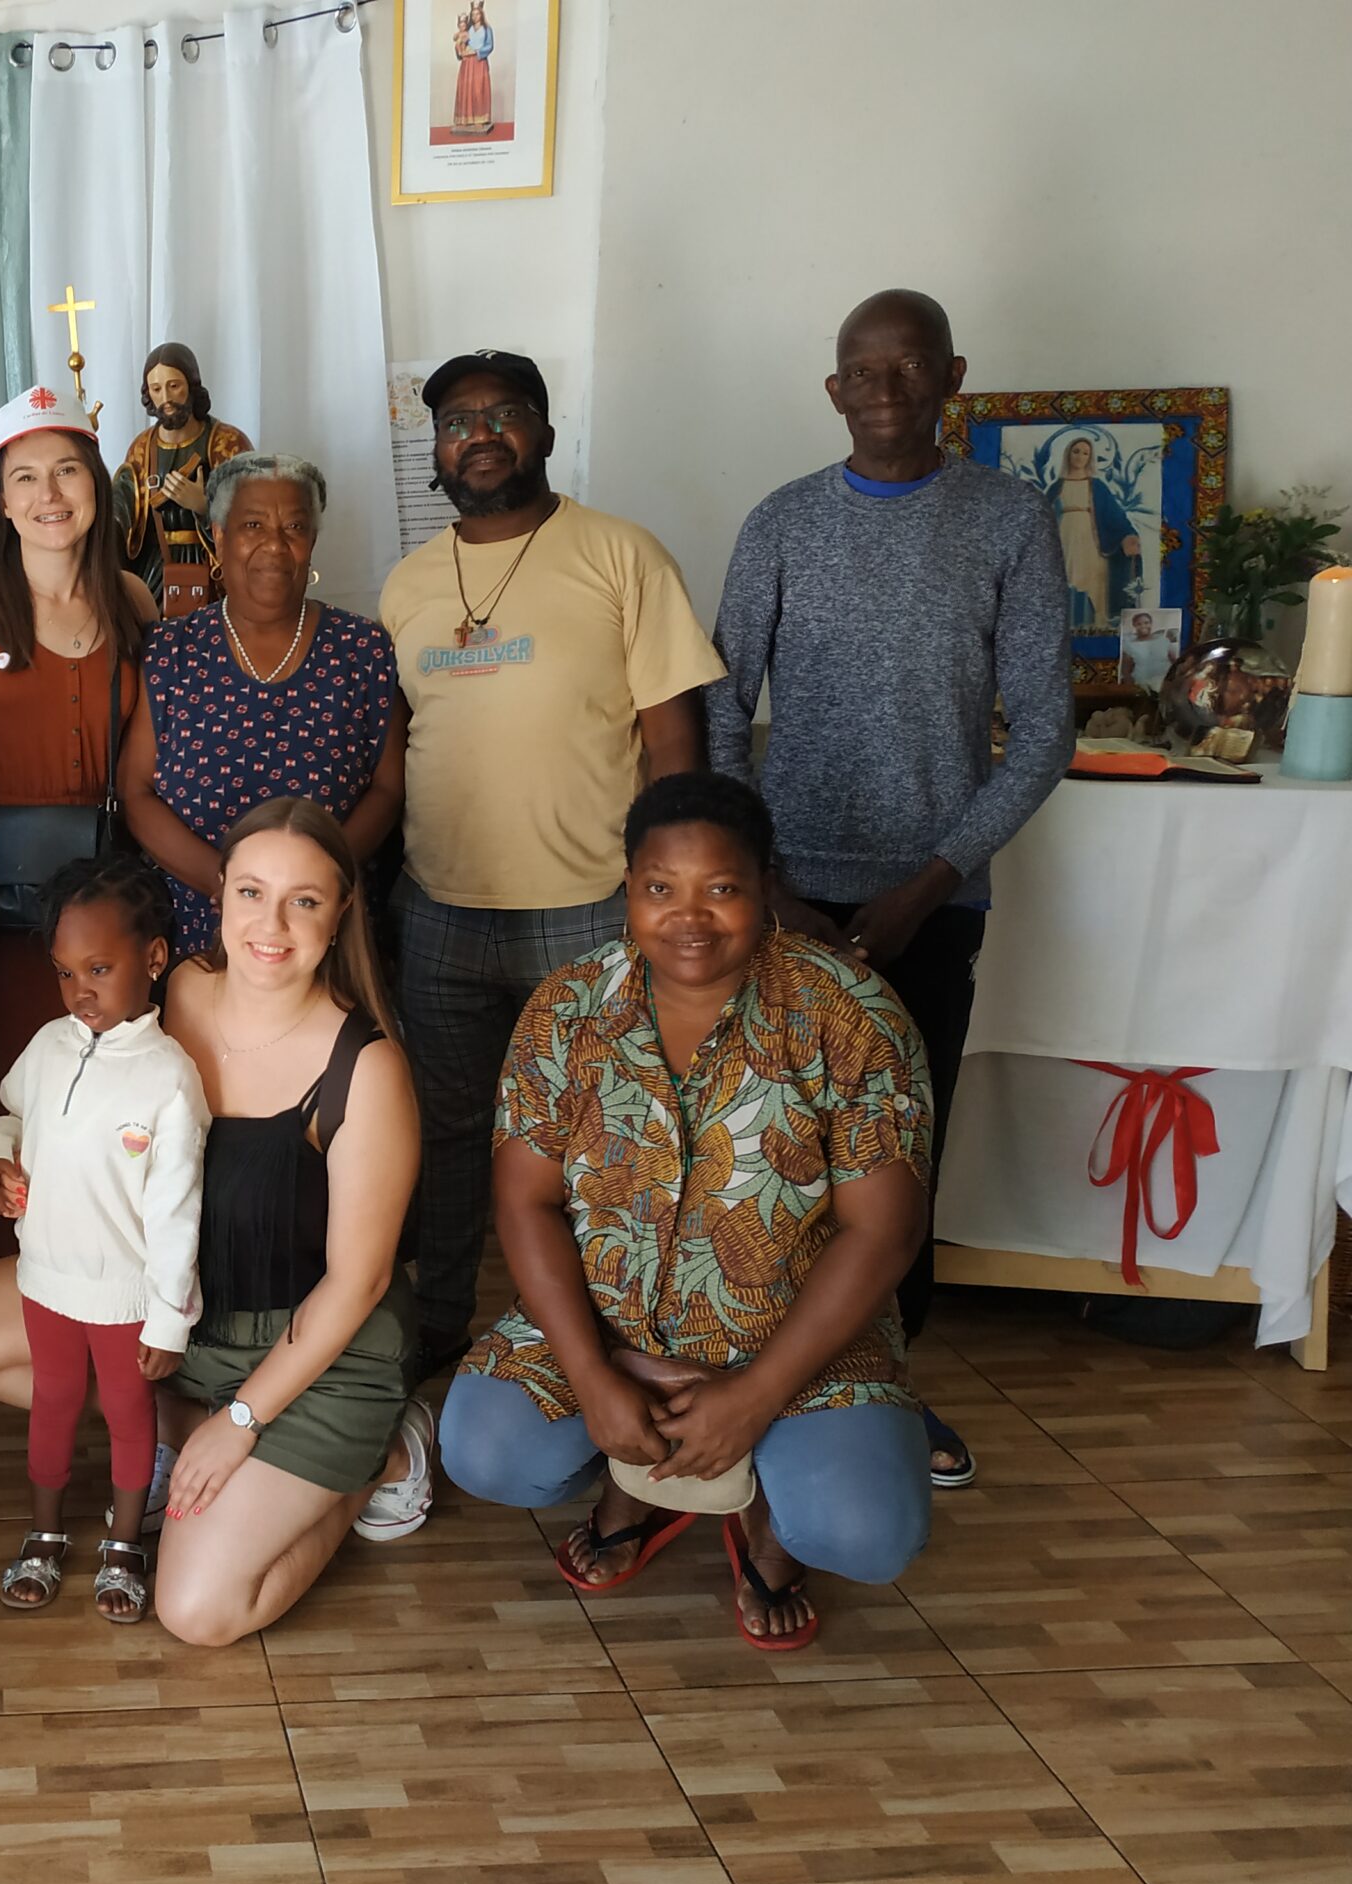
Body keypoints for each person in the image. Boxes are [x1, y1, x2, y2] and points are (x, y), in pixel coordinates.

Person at [708, 288, 1072, 1489]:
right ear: (832, 390)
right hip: (782, 901)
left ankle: (882, 1394)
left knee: (896, 1162)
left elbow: (1044, 733)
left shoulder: (1007, 519)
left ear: (951, 377)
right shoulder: (780, 522)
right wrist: (764, 884)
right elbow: (721, 706)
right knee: (768, 1147)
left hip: (928, 906)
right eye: (861, 372)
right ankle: (751, 1376)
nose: (883, 391)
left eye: (909, 368)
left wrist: (928, 884)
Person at [440, 772, 936, 1651]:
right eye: (661, 888)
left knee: (864, 1532)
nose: (689, 917)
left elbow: (883, 1231)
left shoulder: (849, 1015)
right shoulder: (569, 1008)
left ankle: (772, 1526)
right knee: (486, 1450)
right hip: (608, 1324)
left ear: (766, 886)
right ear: (628, 887)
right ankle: (635, 1481)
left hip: (799, 1344)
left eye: (722, 889)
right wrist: (593, 1375)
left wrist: (755, 1394)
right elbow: (524, 1201)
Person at [0, 799, 439, 1648]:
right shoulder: (178, 989)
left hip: (309, 1352)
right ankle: (182, 1429)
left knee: (197, 1611)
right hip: (172, 1309)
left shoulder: (366, 1066)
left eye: (304, 901)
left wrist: (244, 1422)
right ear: (220, 892)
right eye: (252, 892)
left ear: (341, 911)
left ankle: (379, 1456)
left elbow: (361, 1282)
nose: (271, 925)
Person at [379, 349, 725, 1381]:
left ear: (544, 433)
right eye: (456, 422)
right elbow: (400, 748)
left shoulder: (621, 555)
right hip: (440, 910)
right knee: (447, 1133)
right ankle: (441, 1319)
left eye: (504, 414)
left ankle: (612, 1338)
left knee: (609, 1136)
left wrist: (662, 899)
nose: (479, 435)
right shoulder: (406, 584)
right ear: (436, 452)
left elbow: (676, 744)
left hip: (589, 910)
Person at [0, 384, 159, 1278]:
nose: (49, 494)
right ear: (2, 496)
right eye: (26, 476)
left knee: (97, 1109)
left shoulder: (131, 601)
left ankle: (94, 1295)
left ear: (97, 485)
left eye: (67, 471)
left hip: (100, 913)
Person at [0, 856, 208, 1624]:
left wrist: (169, 1317)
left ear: (154, 958)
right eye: (65, 972)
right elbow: (8, 1121)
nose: (80, 992)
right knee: (55, 1405)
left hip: (126, 1296)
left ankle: (125, 1543)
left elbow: (177, 1212)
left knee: (131, 1417)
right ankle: (44, 1533)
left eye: (99, 969)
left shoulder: (170, 1078)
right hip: (45, 1282)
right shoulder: (47, 1046)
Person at [120, 453, 406, 958]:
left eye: (294, 527)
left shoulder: (364, 650)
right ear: (219, 536)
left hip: (323, 929)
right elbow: (136, 791)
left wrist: (306, 886)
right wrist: (231, 887)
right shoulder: (170, 650)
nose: (275, 544)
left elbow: (387, 788)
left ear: (311, 541)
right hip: (195, 927)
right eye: (253, 525)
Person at [112, 343, 252, 618]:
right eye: (156, 389)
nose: (165, 398)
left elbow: (252, 516)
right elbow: (124, 519)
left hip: (213, 570)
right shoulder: (141, 448)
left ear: (191, 384)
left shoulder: (227, 443)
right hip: (155, 570)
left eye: (174, 386)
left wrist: (204, 507)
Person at [1046, 433, 1142, 633]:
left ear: (1090, 458)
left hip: (1091, 541)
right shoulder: (1057, 487)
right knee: (1065, 578)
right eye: (1076, 451)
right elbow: (1042, 517)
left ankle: (1096, 627)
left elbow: (1115, 515)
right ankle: (1065, 628)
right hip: (1064, 538)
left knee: (1093, 581)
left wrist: (1128, 535)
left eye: (1085, 453)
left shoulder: (1097, 487)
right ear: (1068, 454)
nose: (1080, 456)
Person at [451, 1, 496, 137]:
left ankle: (479, 119)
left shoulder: (487, 29)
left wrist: (478, 52)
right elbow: (461, 43)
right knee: (466, 89)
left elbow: (489, 45)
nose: (475, 16)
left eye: (477, 14)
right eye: (473, 14)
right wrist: (460, 49)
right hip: (467, 64)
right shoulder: (468, 29)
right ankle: (465, 119)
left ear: (481, 14)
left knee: (478, 89)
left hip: (479, 62)